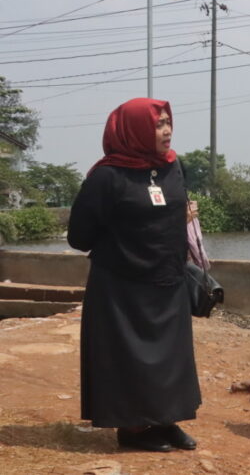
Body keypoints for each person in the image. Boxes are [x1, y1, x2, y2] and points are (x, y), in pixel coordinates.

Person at [68, 98, 201, 452]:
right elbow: (79, 237)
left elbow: (172, 214)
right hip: (121, 287)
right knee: (130, 359)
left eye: (168, 122)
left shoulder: (174, 167)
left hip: (168, 280)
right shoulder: (108, 176)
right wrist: (125, 238)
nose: (167, 130)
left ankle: (167, 420)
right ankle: (134, 429)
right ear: (134, 129)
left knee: (170, 358)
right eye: (158, 124)